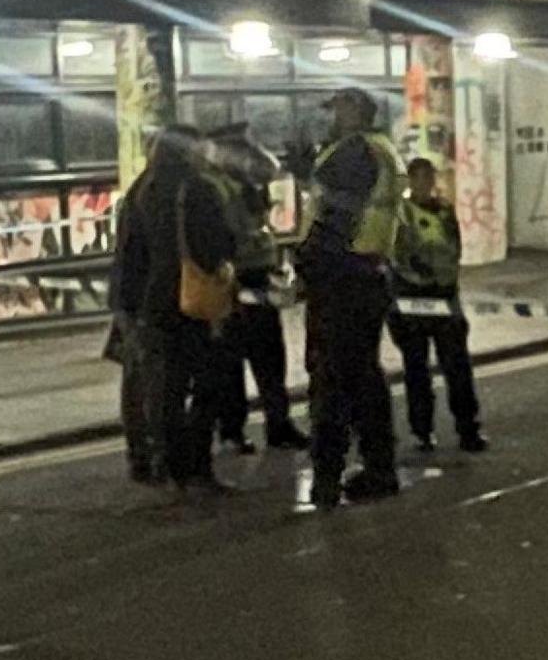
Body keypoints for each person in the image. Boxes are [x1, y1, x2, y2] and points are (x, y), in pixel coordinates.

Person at [106, 125, 236, 492]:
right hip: (188, 302)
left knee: (161, 388)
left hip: (146, 304)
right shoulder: (196, 189)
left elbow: (129, 251)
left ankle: (159, 461)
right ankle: (196, 466)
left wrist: (126, 306)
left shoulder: (141, 188)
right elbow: (217, 245)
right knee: (209, 385)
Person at [296, 87, 406, 507]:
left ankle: (328, 475)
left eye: (339, 108)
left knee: (332, 378)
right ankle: (379, 468)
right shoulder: (379, 149)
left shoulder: (357, 152)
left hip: (342, 274)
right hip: (366, 272)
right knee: (363, 377)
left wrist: (309, 260)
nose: (333, 116)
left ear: (357, 110)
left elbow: (338, 213)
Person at [202, 124, 309, 453]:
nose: (249, 156)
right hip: (235, 278)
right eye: (241, 149)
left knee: (269, 357)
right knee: (230, 362)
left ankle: (278, 425)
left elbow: (271, 169)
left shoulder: (243, 182)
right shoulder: (215, 186)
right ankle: (233, 431)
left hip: (258, 277)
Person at [386, 155, 483, 453]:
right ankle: (422, 432)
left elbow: (454, 247)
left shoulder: (444, 210)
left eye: (429, 178)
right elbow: (396, 256)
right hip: (413, 300)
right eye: (420, 178)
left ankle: (468, 429)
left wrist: (447, 281)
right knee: (417, 370)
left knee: (457, 368)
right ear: (410, 181)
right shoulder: (400, 214)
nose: (426, 184)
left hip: (443, 295)